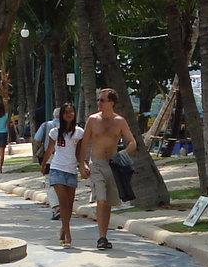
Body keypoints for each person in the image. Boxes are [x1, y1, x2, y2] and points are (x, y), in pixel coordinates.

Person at [78, 89, 137, 251]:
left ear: (112, 103)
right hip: (96, 164)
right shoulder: (92, 120)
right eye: (98, 100)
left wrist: (122, 154)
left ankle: (104, 237)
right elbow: (84, 143)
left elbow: (132, 143)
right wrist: (82, 163)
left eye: (102, 100)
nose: (99, 103)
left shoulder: (120, 121)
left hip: (113, 165)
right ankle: (100, 236)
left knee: (109, 203)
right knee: (101, 200)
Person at [42, 103, 84, 247]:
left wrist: (83, 165)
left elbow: (79, 152)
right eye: (65, 112)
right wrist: (43, 164)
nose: (68, 114)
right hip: (56, 169)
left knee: (69, 204)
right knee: (63, 201)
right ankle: (68, 234)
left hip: (71, 170)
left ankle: (62, 229)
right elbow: (49, 149)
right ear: (61, 115)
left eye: (71, 111)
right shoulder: (55, 132)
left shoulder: (79, 132)